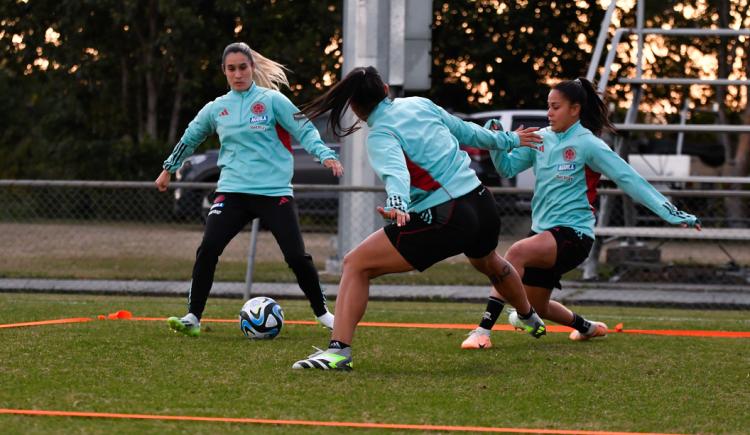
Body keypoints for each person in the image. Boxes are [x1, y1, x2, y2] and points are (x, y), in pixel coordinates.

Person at [291, 66, 547, 371]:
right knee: (490, 262)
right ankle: (528, 315)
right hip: (483, 203)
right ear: (385, 89)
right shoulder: (419, 104)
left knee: (356, 264)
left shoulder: (381, 134)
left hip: (449, 215)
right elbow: (467, 131)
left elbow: (396, 173)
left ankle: (337, 352)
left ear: (356, 108)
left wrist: (397, 203)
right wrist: (509, 140)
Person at [461, 77, 701, 349]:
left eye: (555, 107)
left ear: (575, 109)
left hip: (574, 235)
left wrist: (671, 212)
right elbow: (506, 169)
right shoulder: (540, 139)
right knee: (536, 305)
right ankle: (588, 328)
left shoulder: (589, 144)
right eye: (548, 107)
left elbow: (629, 179)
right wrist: (496, 143)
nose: (549, 113)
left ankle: (482, 330)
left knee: (515, 253)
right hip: (543, 233)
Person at [155, 42, 344, 337]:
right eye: (231, 69)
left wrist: (325, 155)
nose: (238, 73)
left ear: (252, 68)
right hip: (232, 192)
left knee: (296, 257)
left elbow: (304, 129)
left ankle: (323, 314)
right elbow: (190, 136)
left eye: (243, 67)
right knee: (208, 250)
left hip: (273, 192)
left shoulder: (272, 101)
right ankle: (193, 316)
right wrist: (168, 168)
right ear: (224, 72)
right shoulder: (217, 108)